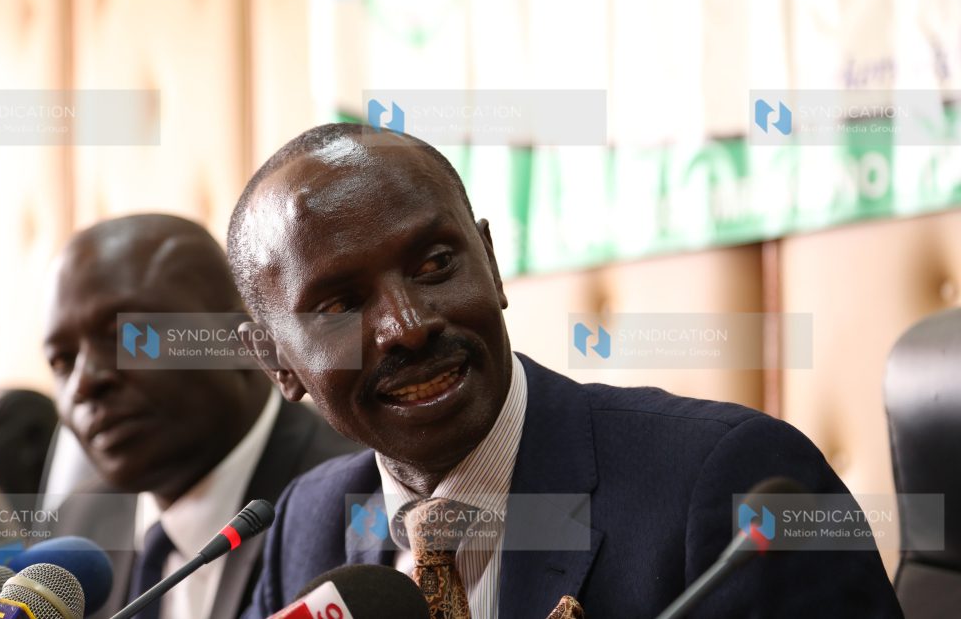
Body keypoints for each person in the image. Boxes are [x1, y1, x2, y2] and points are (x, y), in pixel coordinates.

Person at [227, 124, 903, 618]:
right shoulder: (307, 525)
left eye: (434, 264)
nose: (407, 325)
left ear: (490, 264)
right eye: (341, 304)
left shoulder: (728, 485)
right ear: (280, 364)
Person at [42, 214, 359, 619]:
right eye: (62, 361)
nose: (84, 384)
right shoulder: (76, 528)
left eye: (130, 337)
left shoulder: (353, 499)